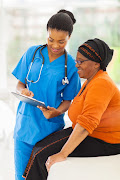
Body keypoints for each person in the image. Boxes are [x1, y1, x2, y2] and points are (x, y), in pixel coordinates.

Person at [23, 38, 120, 180]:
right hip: (89, 132)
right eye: (76, 60)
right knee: (39, 146)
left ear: (96, 64)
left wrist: (62, 154)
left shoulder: (101, 84)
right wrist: (56, 112)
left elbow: (87, 123)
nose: (76, 65)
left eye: (81, 62)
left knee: (41, 154)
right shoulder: (91, 80)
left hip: (104, 140)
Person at [12, 9, 81, 180]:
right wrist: (23, 91)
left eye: (61, 41)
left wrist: (57, 112)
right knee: (21, 177)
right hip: (24, 128)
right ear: (47, 33)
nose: (55, 45)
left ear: (69, 38)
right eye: (51, 39)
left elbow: (68, 100)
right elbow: (20, 83)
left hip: (49, 131)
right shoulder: (32, 53)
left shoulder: (71, 65)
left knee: (42, 177)